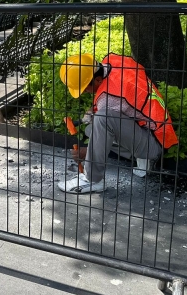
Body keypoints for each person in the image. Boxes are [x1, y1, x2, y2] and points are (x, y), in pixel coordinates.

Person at [57, 53, 178, 194]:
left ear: (97, 80)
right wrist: (93, 111)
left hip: (154, 142)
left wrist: (89, 153)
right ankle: (143, 159)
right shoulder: (113, 64)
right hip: (154, 129)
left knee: (102, 120)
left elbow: (108, 112)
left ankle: (92, 180)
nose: (84, 92)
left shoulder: (110, 98)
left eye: (84, 89)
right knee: (91, 130)